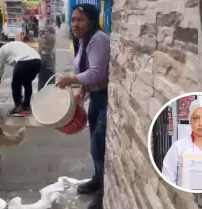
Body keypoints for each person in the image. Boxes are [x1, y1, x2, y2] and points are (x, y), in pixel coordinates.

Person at [55, 4, 110, 209]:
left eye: (81, 20)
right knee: (96, 145)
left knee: (100, 145)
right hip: (95, 97)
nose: (75, 24)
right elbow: (88, 71)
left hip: (105, 98)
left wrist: (71, 79)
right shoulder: (84, 39)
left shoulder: (98, 40)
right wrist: (82, 90)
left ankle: (105, 191)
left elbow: (97, 72)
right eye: (73, 19)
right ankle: (98, 180)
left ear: (92, 21)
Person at [0, 41, 41, 116]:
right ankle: (26, 106)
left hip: (25, 61)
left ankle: (18, 107)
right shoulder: (12, 46)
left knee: (15, 84)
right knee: (27, 83)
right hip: (37, 61)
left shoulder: (1, 51)